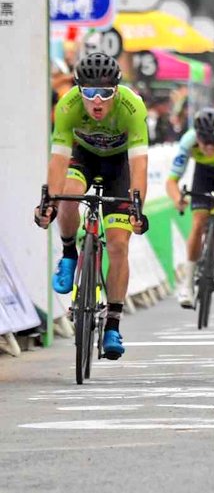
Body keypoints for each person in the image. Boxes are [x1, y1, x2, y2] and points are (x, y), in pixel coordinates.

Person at [34, 52, 149, 360]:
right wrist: (49, 203)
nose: (97, 101)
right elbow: (58, 160)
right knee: (67, 196)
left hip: (119, 167)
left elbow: (139, 165)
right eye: (89, 92)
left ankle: (112, 324)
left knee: (118, 245)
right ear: (78, 89)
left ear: (117, 91)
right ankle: (69, 254)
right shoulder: (67, 105)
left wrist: (137, 207)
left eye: (106, 93)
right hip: (82, 157)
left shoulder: (133, 107)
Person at [166, 107, 214, 308]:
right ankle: (187, 285)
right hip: (203, 174)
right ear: (196, 136)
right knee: (198, 223)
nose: (209, 147)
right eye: (204, 142)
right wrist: (177, 199)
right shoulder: (188, 141)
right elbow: (172, 181)